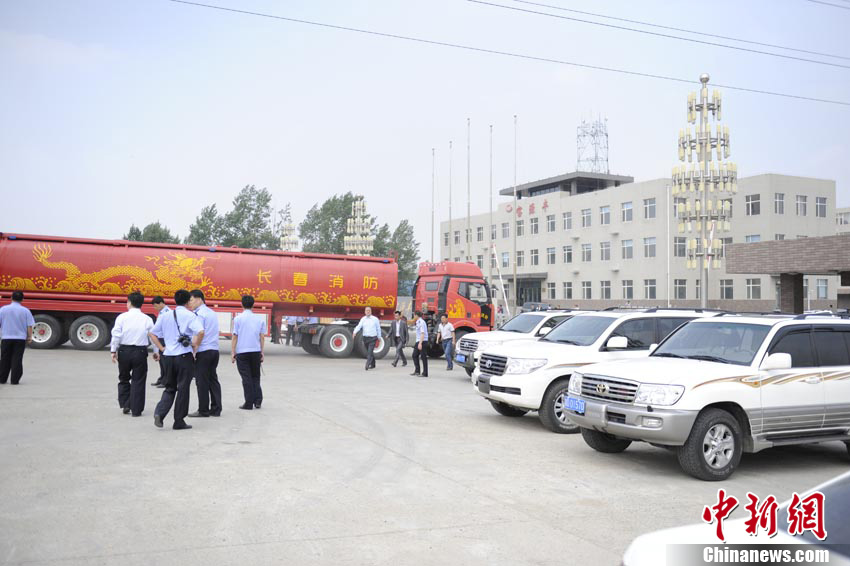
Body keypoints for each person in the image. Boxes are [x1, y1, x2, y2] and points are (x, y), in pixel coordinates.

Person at [149, 289, 204, 430]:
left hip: (168, 356)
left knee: (170, 387)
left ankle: (160, 413)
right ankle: (179, 421)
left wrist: (162, 349)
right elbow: (201, 331)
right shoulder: (190, 315)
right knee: (183, 388)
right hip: (184, 356)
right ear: (187, 301)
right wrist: (196, 346)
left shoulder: (165, 315)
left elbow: (152, 333)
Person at [110, 291, 153, 416]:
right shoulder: (147, 319)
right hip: (140, 351)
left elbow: (116, 335)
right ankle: (137, 409)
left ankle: (125, 403)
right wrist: (156, 352)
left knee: (124, 378)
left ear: (129, 302)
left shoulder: (122, 317)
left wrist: (113, 350)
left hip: (124, 351)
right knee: (138, 380)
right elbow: (153, 337)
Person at [188, 290, 221, 418]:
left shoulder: (199, 314)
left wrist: (194, 348)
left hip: (204, 351)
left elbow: (199, 333)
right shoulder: (211, 313)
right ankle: (216, 408)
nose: (190, 303)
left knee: (201, 381)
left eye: (191, 300)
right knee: (213, 379)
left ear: (199, 299)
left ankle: (203, 410)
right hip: (214, 350)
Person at [232, 295, 266, 410]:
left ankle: (248, 403)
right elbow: (262, 337)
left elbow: (235, 336)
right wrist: (262, 352)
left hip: (242, 352)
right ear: (253, 305)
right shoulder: (260, 320)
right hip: (255, 351)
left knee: (246, 378)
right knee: (256, 376)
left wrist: (233, 352)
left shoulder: (237, 319)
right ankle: (258, 401)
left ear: (242, 304)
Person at [0, 291, 34, 385]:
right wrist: (29, 337)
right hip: (20, 339)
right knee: (17, 359)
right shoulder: (25, 311)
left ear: (11, 298)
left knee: (4, 358)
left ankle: (2, 379)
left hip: (6, 338)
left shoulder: (3, 309)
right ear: (22, 299)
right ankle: (15, 380)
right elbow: (29, 326)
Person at [150, 296, 170, 388]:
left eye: (155, 306)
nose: (155, 308)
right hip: (161, 339)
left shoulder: (167, 313)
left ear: (161, 303)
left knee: (165, 362)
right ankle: (162, 378)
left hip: (165, 339)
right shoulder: (162, 312)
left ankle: (166, 381)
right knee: (161, 361)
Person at [353, 306, 381, 371]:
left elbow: (378, 328)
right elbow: (359, 326)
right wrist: (354, 332)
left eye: (369, 310)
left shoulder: (375, 319)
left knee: (369, 352)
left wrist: (379, 337)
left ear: (371, 311)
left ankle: (367, 364)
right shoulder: (363, 319)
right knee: (369, 352)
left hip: (373, 338)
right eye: (366, 310)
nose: (367, 312)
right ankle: (373, 364)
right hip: (365, 338)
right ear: (365, 312)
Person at [411, 310, 429, 377]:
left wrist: (420, 343)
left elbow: (422, 333)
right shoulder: (418, 322)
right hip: (418, 340)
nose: (413, 316)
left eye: (414, 315)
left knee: (423, 357)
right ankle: (417, 371)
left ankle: (425, 373)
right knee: (414, 355)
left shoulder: (421, 322)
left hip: (422, 341)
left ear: (416, 315)